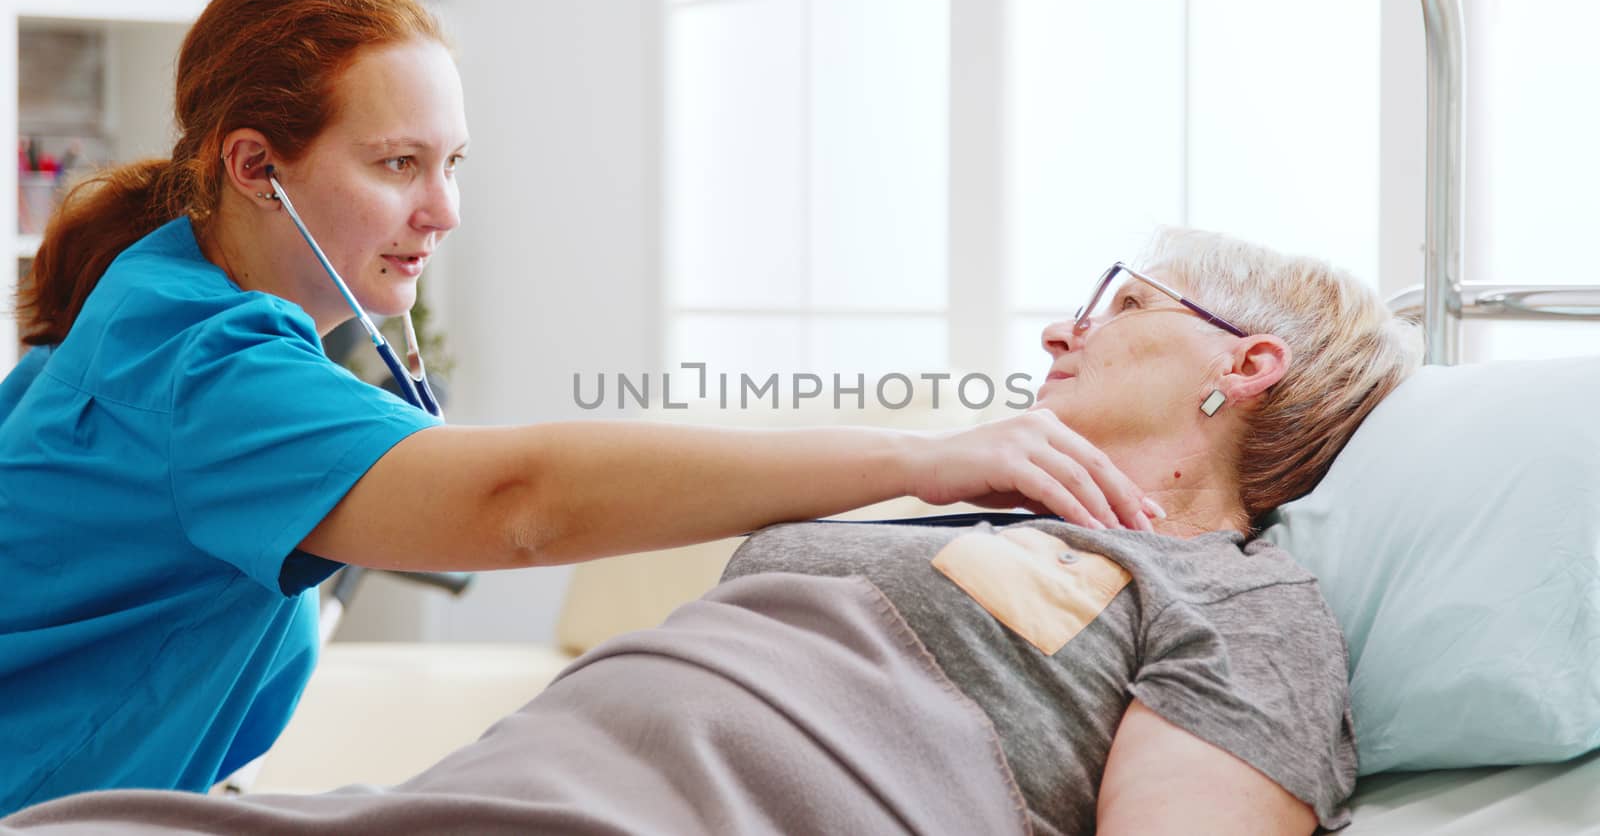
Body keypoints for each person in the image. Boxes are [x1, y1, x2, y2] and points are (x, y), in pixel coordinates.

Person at [0, 0, 1167, 817]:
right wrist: (929, 458)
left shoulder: (164, 302)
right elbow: (522, 502)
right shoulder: (205, 367)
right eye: (396, 164)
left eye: (451, 164)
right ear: (256, 166)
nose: (443, 212)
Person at [0, 229, 1423, 835]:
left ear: (1245, 368)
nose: (1065, 324)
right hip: (497, 795)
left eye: (1122, 299)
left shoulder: (1241, 607)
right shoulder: (934, 494)